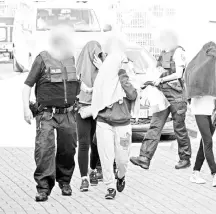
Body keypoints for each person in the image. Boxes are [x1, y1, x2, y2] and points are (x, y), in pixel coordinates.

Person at [22, 25, 78, 202]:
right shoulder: (42, 58)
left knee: (68, 149)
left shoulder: (71, 58)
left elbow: (77, 82)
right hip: (46, 114)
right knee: (44, 150)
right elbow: (27, 86)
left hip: (68, 113)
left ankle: (65, 181)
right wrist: (25, 108)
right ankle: (43, 188)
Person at [130, 28, 192, 170]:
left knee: (179, 128)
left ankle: (185, 158)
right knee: (155, 125)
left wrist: (161, 79)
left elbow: (178, 73)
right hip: (162, 95)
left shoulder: (178, 52)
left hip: (177, 96)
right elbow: (158, 71)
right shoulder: (164, 53)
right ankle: (144, 158)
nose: (161, 44)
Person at [91, 34, 138, 200]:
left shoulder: (127, 76)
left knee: (122, 158)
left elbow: (132, 94)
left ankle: (121, 175)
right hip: (104, 122)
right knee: (106, 156)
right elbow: (96, 95)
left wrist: (123, 75)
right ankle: (110, 186)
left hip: (123, 123)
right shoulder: (104, 77)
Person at [184, 41, 216, 187]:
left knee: (204, 142)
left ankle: (195, 173)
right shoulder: (196, 67)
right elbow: (188, 79)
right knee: (208, 141)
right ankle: (215, 174)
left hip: (214, 109)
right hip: (200, 109)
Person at [76, 41, 106, 191]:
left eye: (99, 53)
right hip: (82, 108)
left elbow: (110, 84)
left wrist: (102, 68)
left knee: (97, 142)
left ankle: (93, 169)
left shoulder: (104, 66)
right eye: (94, 53)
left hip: (99, 109)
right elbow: (74, 84)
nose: (97, 56)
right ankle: (84, 178)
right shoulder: (78, 67)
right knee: (84, 143)